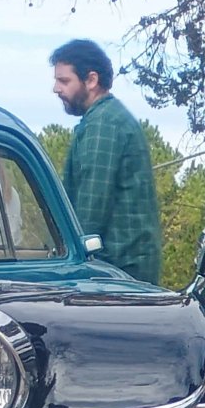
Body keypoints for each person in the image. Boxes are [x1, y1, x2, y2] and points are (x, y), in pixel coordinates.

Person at [50, 39, 162, 283]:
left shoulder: (104, 124)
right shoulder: (105, 119)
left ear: (91, 80)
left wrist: (67, 264)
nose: (56, 89)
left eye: (64, 81)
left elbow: (90, 209)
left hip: (118, 274)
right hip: (123, 270)